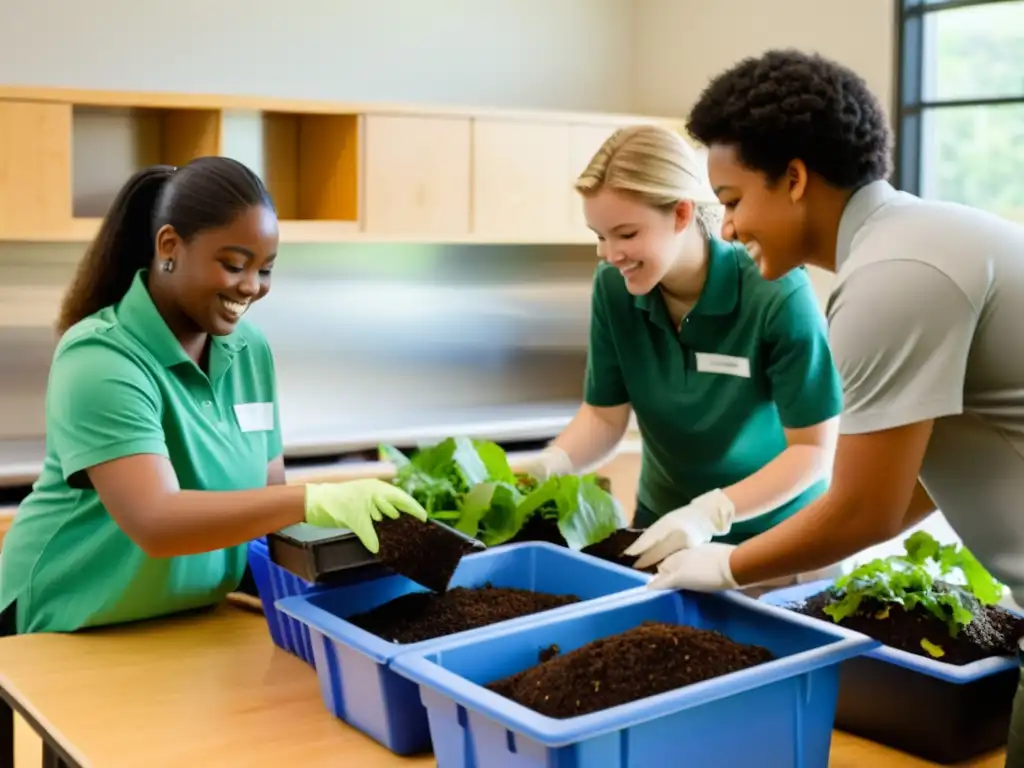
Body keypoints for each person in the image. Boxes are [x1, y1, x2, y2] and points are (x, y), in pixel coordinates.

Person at [656, 48, 1024, 764]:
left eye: (731, 202)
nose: (727, 229)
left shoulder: (892, 277)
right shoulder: (920, 239)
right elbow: (909, 480)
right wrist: (769, 551)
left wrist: (730, 565)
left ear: (794, 178)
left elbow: (866, 510)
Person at [0, 157, 426, 636]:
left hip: (183, 620)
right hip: (58, 629)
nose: (251, 286)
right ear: (169, 247)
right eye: (233, 264)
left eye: (265, 269)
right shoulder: (100, 357)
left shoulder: (250, 352)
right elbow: (155, 519)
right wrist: (311, 499)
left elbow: (264, 507)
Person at [522, 124, 844, 573]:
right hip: (663, 530)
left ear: (680, 214)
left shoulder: (776, 292)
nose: (609, 253)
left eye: (627, 234)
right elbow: (604, 415)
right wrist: (550, 464)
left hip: (780, 539)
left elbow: (812, 451)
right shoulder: (615, 289)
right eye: (599, 235)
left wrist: (711, 514)